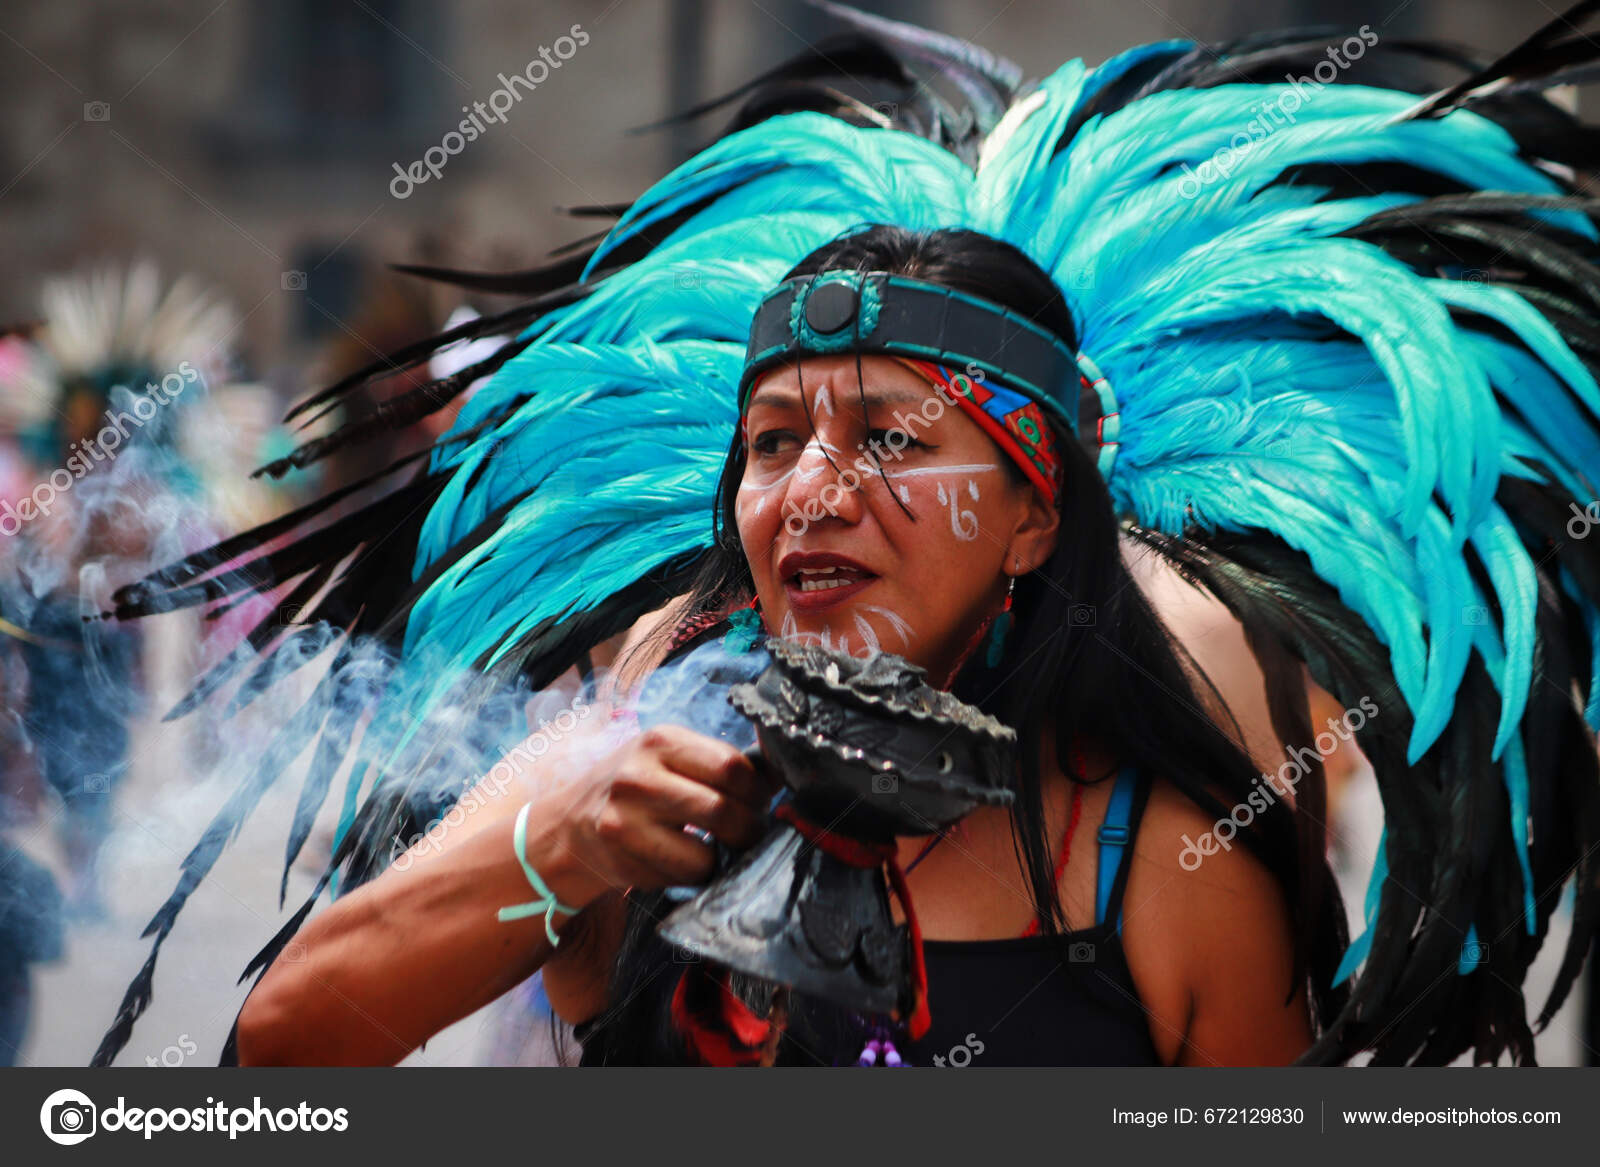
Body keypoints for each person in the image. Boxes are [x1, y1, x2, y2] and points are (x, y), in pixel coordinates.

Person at [96, 5, 1600, 1067]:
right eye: (771, 444)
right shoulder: (630, 756)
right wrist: (555, 851)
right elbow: (279, 1057)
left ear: (1031, 521)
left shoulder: (1163, 854)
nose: (812, 488)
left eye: (891, 439)